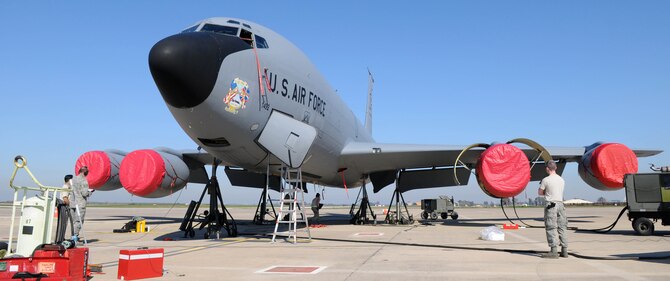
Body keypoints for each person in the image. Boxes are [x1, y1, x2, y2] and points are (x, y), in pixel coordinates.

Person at [538, 160, 568, 258]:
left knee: (551, 227)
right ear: (556, 168)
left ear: (547, 168)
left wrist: (545, 190)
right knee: (562, 227)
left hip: (551, 205)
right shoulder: (561, 180)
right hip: (561, 204)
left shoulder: (545, 180)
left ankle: (554, 250)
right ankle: (564, 250)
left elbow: (540, 192)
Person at [71, 166, 94, 240]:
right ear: (85, 172)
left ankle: (73, 235)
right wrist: (90, 192)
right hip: (80, 203)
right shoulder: (83, 180)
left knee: (74, 221)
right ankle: (75, 237)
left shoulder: (73, 179)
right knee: (79, 221)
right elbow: (84, 193)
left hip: (73, 203)